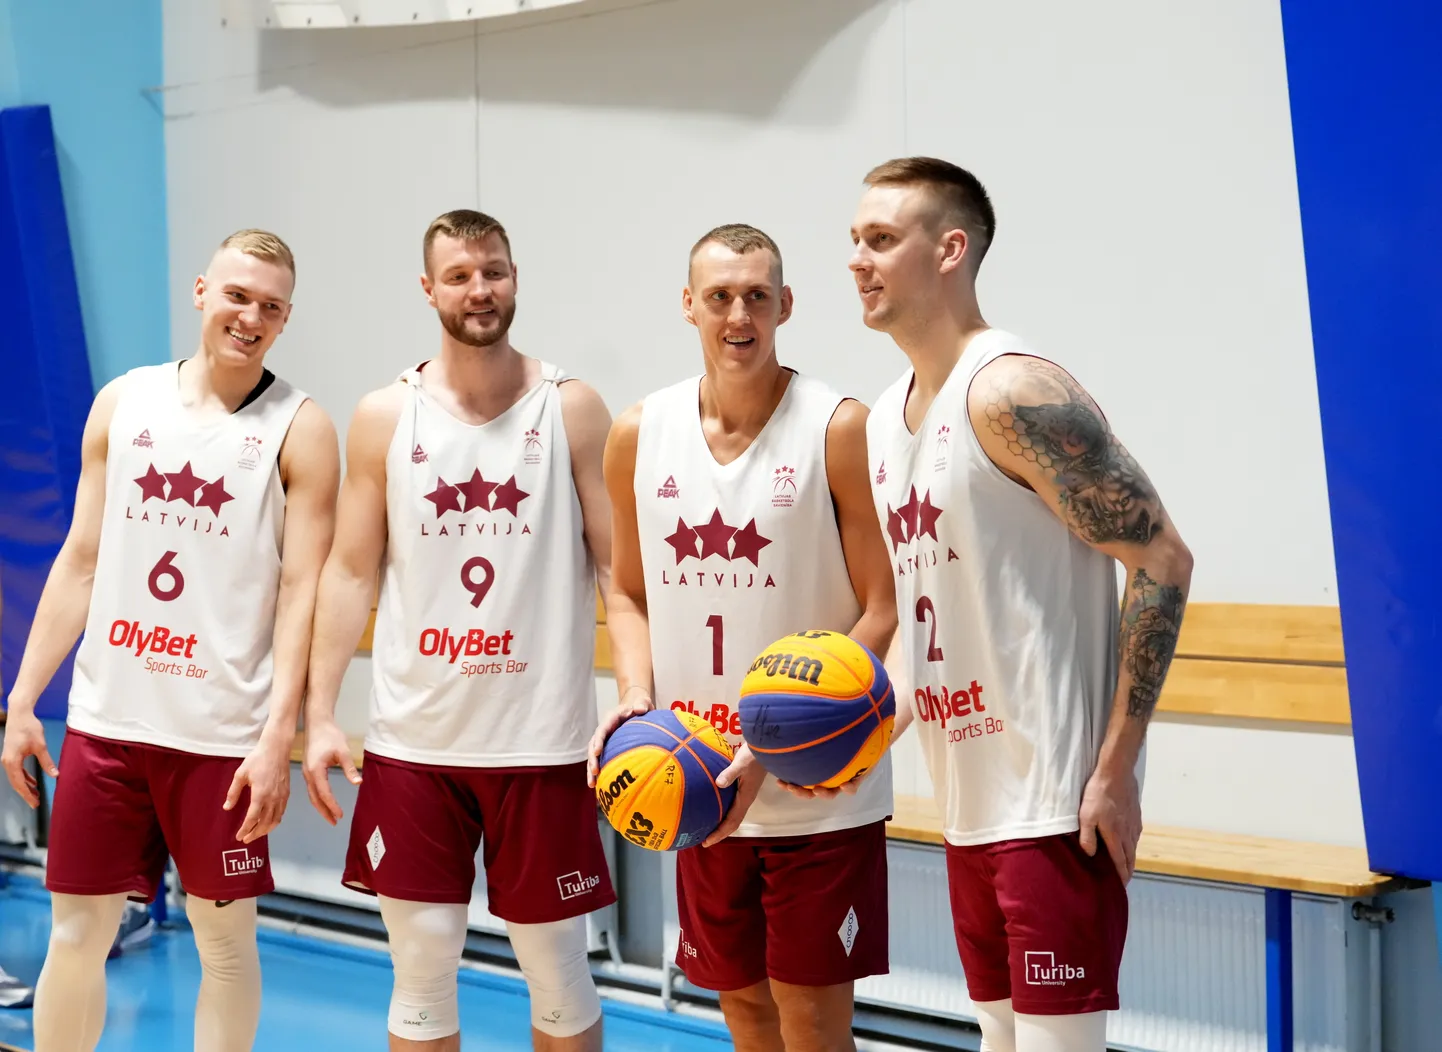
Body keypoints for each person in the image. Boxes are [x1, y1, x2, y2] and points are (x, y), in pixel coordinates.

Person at [851, 157, 1195, 1051]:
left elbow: (1162, 558)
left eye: (882, 239)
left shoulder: (1012, 391)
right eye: (855, 240)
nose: (858, 259)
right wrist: (850, 737)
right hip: (967, 801)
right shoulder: (887, 419)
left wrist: (1116, 769)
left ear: (951, 250)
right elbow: (933, 617)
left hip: (1055, 802)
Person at [0, 229, 339, 1051]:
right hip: (108, 723)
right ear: (200, 291)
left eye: (269, 306)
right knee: (75, 936)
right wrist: (19, 701)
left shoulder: (301, 428)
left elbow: (304, 595)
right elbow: (80, 558)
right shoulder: (125, 401)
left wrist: (276, 737)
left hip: (220, 740)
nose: (249, 316)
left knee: (225, 949)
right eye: (236, 295)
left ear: (286, 318)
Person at [302, 209, 617, 1052]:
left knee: (556, 968)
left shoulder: (573, 408)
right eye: (461, 275)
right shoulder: (383, 415)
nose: (480, 289)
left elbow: (621, 572)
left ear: (515, 276)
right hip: (417, 742)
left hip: (542, 743)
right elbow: (348, 573)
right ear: (428, 288)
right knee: (423, 966)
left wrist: (646, 694)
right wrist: (322, 712)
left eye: (495, 271)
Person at [588, 224, 898, 1052]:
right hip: (695, 775)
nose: (739, 315)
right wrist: (635, 698)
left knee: (812, 1021)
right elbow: (625, 591)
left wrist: (784, 738)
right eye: (720, 296)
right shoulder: (637, 433)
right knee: (744, 1011)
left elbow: (883, 605)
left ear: (785, 306)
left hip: (814, 781)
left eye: (757, 296)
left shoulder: (839, 426)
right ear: (688, 305)